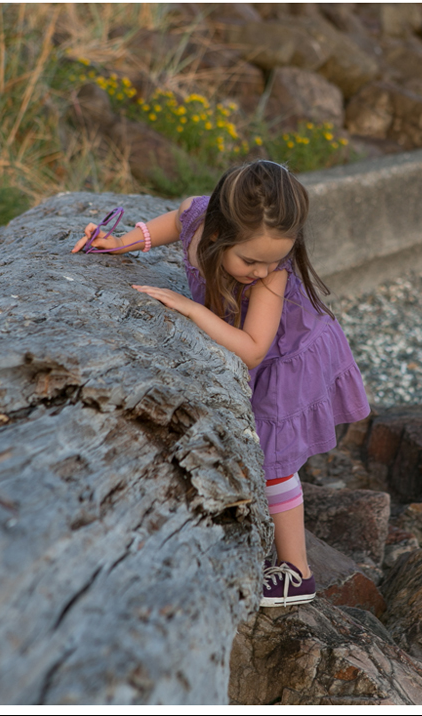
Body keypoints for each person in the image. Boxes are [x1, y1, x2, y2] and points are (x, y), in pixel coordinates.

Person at [71, 160, 370, 607]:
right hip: (256, 342)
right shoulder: (198, 216)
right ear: (215, 234)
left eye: (273, 260)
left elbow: (253, 349)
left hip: (287, 355)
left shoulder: (273, 275)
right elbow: (176, 221)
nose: (261, 271)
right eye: (250, 261)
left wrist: (193, 309)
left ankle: (297, 572)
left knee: (274, 459)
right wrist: (122, 242)